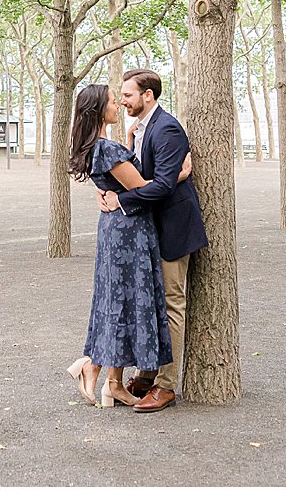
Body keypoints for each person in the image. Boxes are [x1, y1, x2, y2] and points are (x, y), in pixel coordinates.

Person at [65, 83, 189, 409]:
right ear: (98, 111)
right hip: (129, 232)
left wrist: (130, 150)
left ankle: (112, 382)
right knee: (126, 302)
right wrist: (178, 174)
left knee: (119, 300)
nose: (117, 105)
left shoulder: (101, 145)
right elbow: (146, 187)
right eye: (111, 101)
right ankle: (93, 366)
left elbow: (124, 182)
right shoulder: (106, 148)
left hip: (118, 227)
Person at [97, 69, 208, 413]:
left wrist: (121, 201)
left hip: (172, 229)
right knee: (150, 305)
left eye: (128, 94)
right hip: (147, 231)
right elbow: (144, 176)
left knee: (171, 305)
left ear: (148, 95)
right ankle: (146, 375)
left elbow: (160, 186)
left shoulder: (168, 128)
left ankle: (166, 385)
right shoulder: (138, 130)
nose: (124, 100)